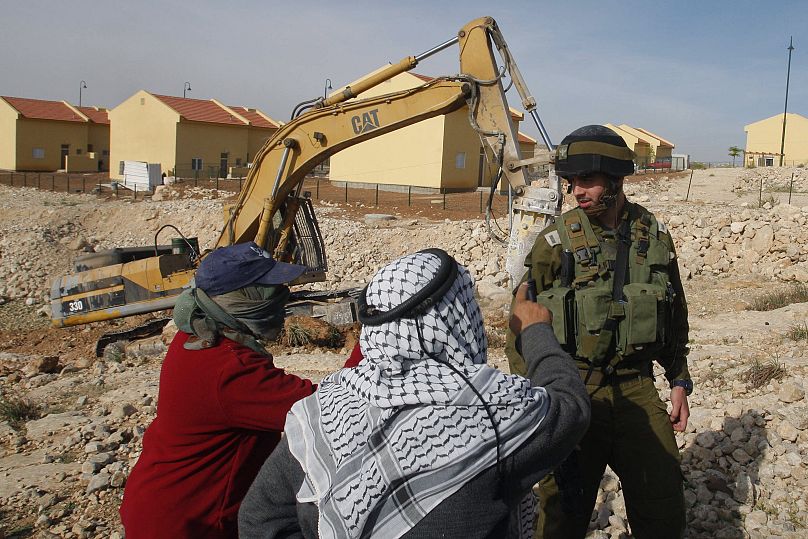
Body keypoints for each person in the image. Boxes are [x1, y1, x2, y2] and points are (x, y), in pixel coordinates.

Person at [238, 248, 590, 539]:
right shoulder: (492, 413)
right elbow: (569, 406)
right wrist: (535, 331)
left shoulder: (319, 411)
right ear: (457, 318)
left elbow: (260, 520)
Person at [506, 125, 692, 538]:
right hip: (574, 392)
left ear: (615, 179)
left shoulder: (653, 235)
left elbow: (674, 309)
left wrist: (678, 378)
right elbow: (519, 323)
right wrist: (537, 397)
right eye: (572, 182)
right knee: (561, 516)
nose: (577, 192)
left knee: (663, 509)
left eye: (587, 180)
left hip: (637, 391)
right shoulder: (555, 243)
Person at [120, 242, 318, 539]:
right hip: (189, 523)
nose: (283, 297)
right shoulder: (229, 368)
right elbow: (324, 409)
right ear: (241, 298)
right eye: (270, 290)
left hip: (162, 506)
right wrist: (375, 340)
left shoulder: (198, 336)